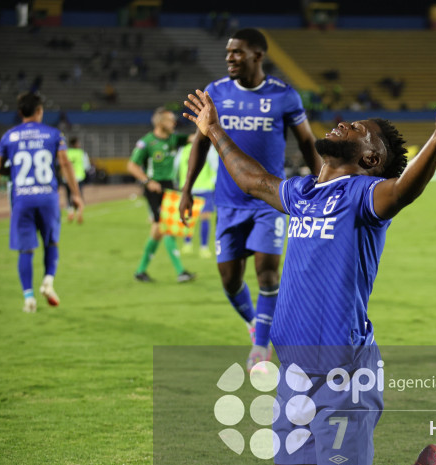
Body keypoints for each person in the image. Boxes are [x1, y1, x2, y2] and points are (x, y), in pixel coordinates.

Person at [183, 75, 436, 465]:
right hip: (293, 374)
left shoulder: (365, 197)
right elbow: (254, 181)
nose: (343, 122)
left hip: (342, 379)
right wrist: (213, 130)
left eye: (357, 129)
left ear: (370, 158)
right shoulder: (304, 193)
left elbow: (404, 189)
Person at [179, 28, 322, 370]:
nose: (230, 58)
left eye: (238, 53)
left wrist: (322, 186)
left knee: (268, 274)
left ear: (258, 56)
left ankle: (260, 347)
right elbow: (200, 143)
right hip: (227, 204)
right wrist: (186, 189)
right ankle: (254, 323)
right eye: (228, 52)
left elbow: (307, 142)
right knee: (230, 280)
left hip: (269, 201)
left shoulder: (284, 96)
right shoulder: (215, 92)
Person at [0, 92, 83, 312]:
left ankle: (29, 298)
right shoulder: (53, 134)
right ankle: (48, 282)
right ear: (40, 111)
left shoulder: (9, 136)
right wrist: (76, 195)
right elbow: (65, 164)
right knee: (51, 243)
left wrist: (13, 170)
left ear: (20, 112)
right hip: (47, 197)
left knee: (25, 250)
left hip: (22, 198)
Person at [127, 107, 196, 283]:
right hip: (154, 188)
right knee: (167, 227)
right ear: (159, 122)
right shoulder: (147, 142)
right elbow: (132, 166)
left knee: (157, 231)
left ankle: (140, 271)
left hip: (170, 186)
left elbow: (194, 138)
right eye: (170, 120)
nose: (174, 123)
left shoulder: (174, 138)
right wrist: (147, 181)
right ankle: (181, 272)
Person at [176, 133, 217, 258]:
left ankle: (203, 247)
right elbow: (176, 168)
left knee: (204, 217)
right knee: (189, 217)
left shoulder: (208, 149)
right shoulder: (183, 150)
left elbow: (215, 167)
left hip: (204, 189)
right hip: (189, 190)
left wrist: (212, 182)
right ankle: (187, 244)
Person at [64, 137, 90, 223]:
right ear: (75, 144)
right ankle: (79, 212)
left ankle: (70, 212)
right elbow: (87, 166)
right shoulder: (81, 153)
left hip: (67, 178)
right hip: (79, 177)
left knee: (68, 195)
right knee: (78, 195)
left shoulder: (66, 152)